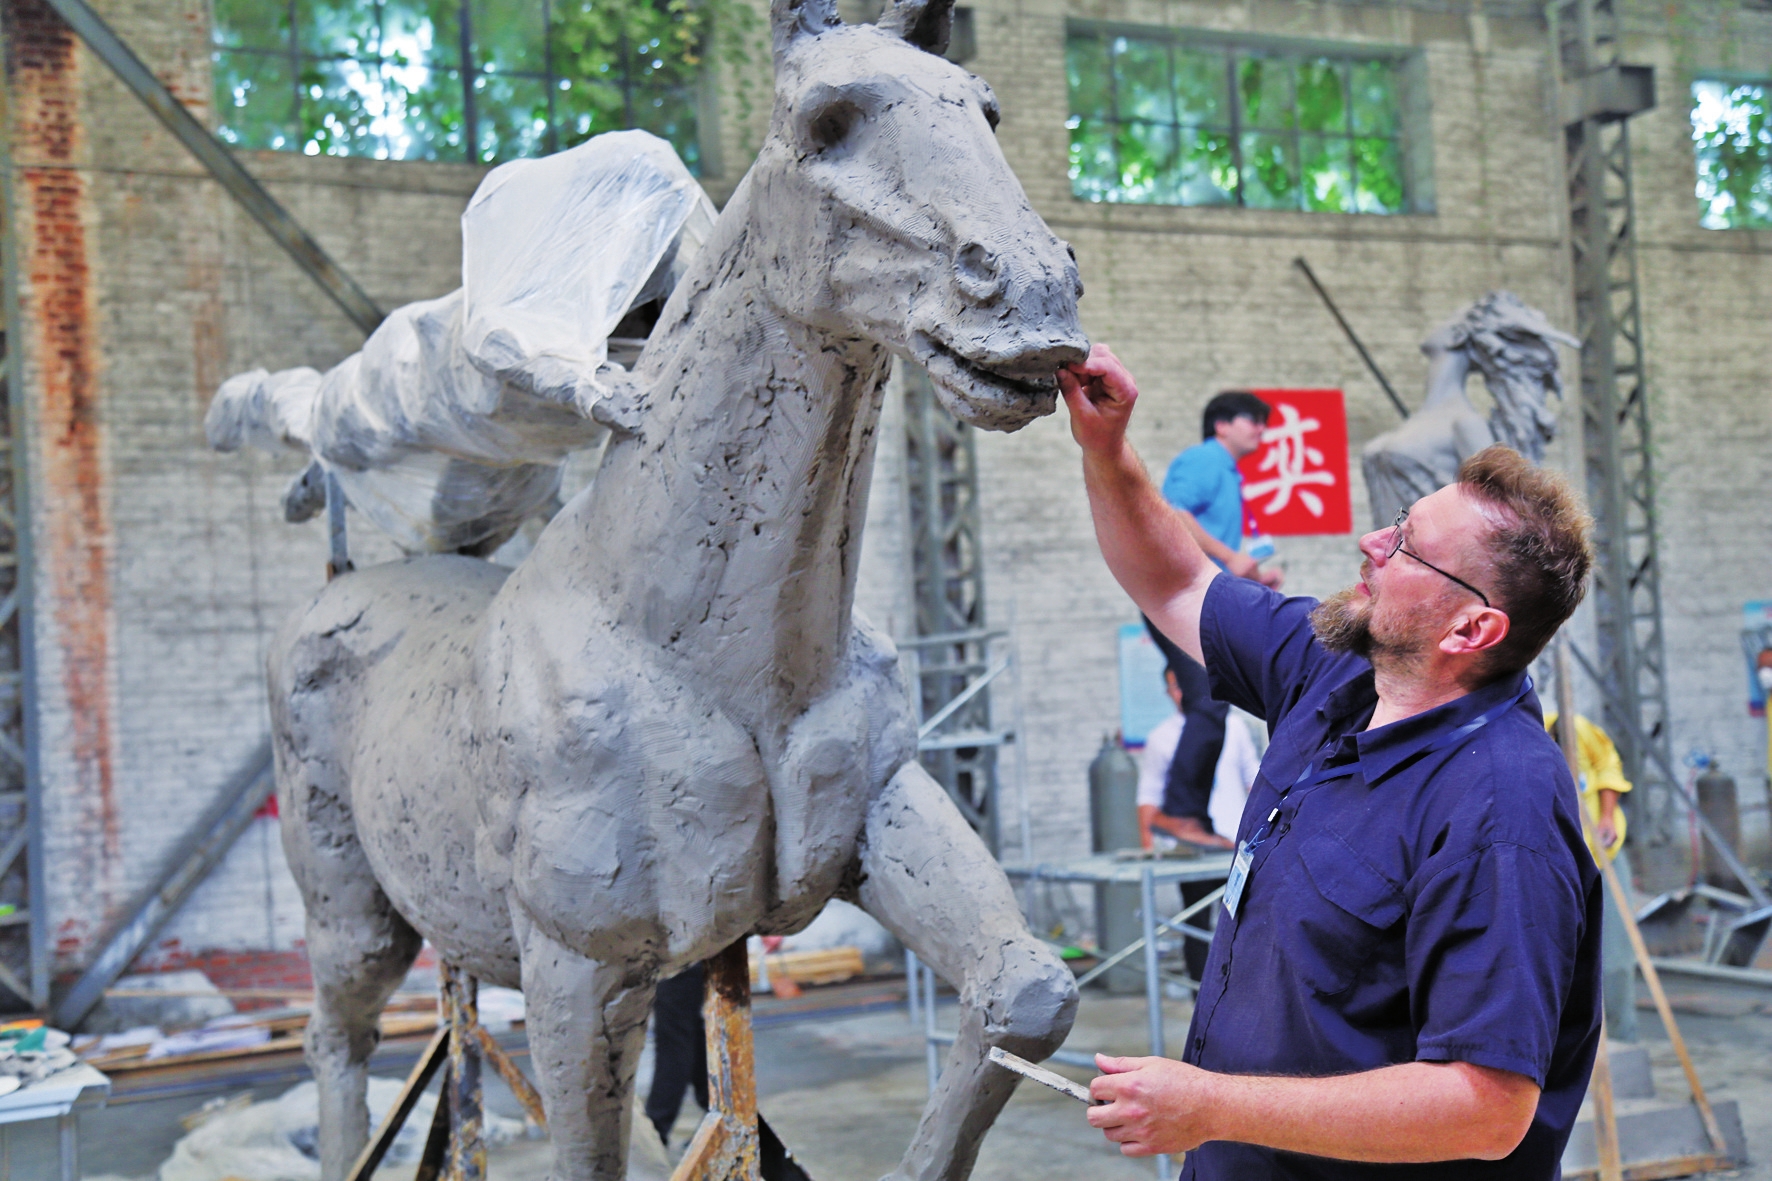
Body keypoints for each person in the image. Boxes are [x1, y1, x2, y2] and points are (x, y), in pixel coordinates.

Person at [1059, 344, 1602, 1178]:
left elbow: (1486, 1106)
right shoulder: (1336, 670)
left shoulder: (1502, 810)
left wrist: (1212, 1104)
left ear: (1470, 630)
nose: (1370, 541)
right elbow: (1175, 583)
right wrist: (1107, 449)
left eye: (1407, 547)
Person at [1147, 391, 1281, 847]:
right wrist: (1229, 556)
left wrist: (1256, 576)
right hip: (1180, 600)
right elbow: (1170, 514)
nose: (1261, 429)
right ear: (1222, 425)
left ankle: (1191, 818)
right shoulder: (1204, 461)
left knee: (1213, 705)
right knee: (1208, 704)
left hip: (1197, 600)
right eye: (1252, 420)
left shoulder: (1227, 473)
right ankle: (1179, 814)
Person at [1138, 668, 1260, 979]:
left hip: (1233, 843)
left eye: (1184, 684)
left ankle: (1243, 990)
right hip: (1192, 848)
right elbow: (1148, 797)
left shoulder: (1232, 726)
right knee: (1196, 922)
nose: (1180, 693)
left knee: (1242, 921)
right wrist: (1150, 848)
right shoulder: (1160, 738)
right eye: (1173, 687)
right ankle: (1200, 996)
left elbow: (1255, 779)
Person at [1544, 709, 1638, 1041]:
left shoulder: (1572, 726)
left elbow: (1607, 765)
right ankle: (1576, 1053)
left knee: (1615, 962)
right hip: (1555, 869)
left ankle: (1622, 1040)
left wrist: (1608, 815)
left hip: (1602, 858)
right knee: (1561, 967)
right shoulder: (1523, 737)